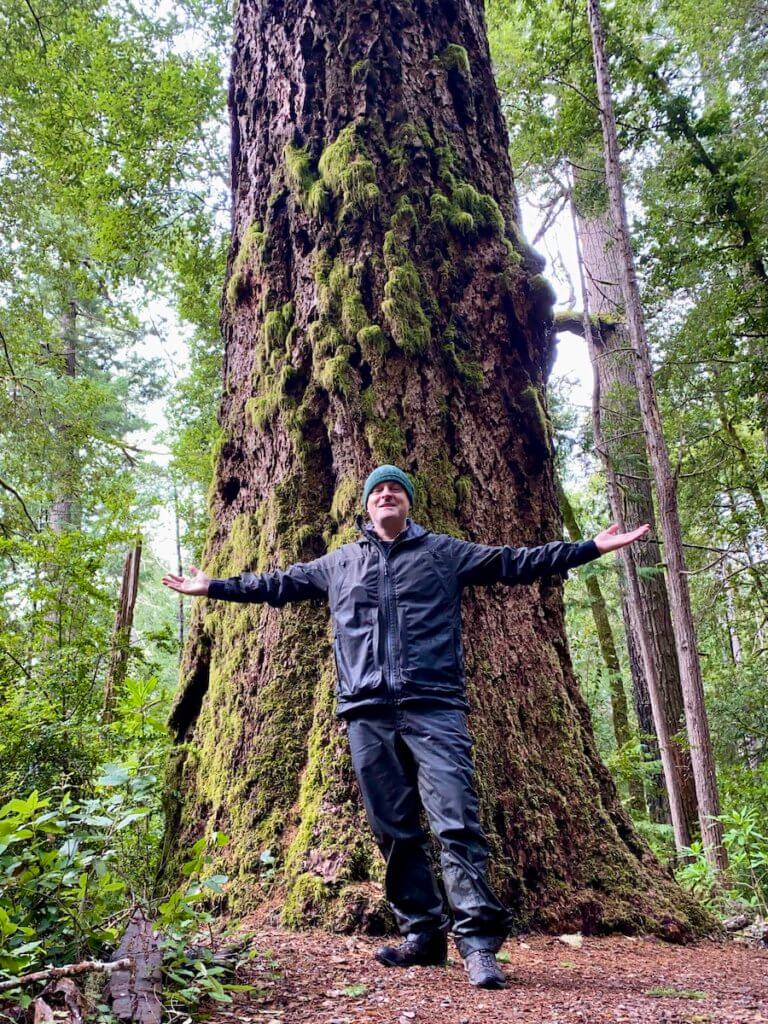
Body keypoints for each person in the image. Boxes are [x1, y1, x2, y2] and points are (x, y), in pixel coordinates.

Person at [162, 464, 649, 989]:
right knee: (393, 829)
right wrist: (211, 586)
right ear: (366, 507)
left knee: (456, 822)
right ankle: (424, 934)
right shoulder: (339, 564)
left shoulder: (443, 553)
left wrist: (589, 547)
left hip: (434, 706)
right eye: (378, 491)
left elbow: (515, 562)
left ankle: (479, 945)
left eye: (396, 489)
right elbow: (276, 584)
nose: (387, 495)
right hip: (366, 711)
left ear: (409, 503)